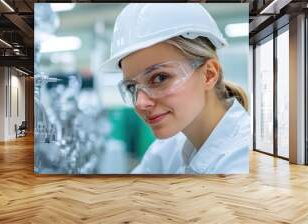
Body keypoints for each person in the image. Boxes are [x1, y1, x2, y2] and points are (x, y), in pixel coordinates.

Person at [100, 3, 250, 174]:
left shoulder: (242, 160)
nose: (140, 103)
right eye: (132, 87)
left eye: (160, 78)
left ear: (208, 74)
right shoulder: (167, 149)